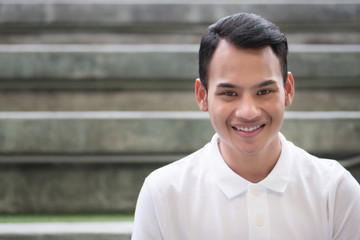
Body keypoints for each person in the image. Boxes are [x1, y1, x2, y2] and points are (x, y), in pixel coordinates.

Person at [131, 13, 360, 240]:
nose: (248, 111)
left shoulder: (335, 190)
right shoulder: (162, 193)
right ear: (202, 96)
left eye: (264, 91)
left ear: (288, 90)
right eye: (229, 93)